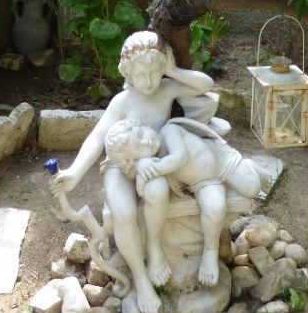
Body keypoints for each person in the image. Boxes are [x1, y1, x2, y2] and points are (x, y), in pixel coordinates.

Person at [49, 30, 215, 313]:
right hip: (119, 165)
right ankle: (140, 277)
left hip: (151, 162)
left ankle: (154, 247)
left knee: (157, 189)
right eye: (140, 75)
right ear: (127, 73)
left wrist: (173, 71)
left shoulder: (166, 88)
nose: (148, 82)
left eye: (154, 72)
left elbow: (206, 85)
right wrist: (74, 172)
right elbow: (98, 137)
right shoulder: (123, 101)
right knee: (124, 211)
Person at [104, 116, 263, 287]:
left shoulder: (168, 131)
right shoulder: (156, 159)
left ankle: (253, 168)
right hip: (204, 183)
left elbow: (180, 157)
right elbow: (138, 175)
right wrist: (141, 167)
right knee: (215, 208)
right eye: (140, 149)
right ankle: (210, 251)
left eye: (141, 134)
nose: (147, 142)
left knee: (253, 187)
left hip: (224, 162)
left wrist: (149, 172)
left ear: (144, 124)